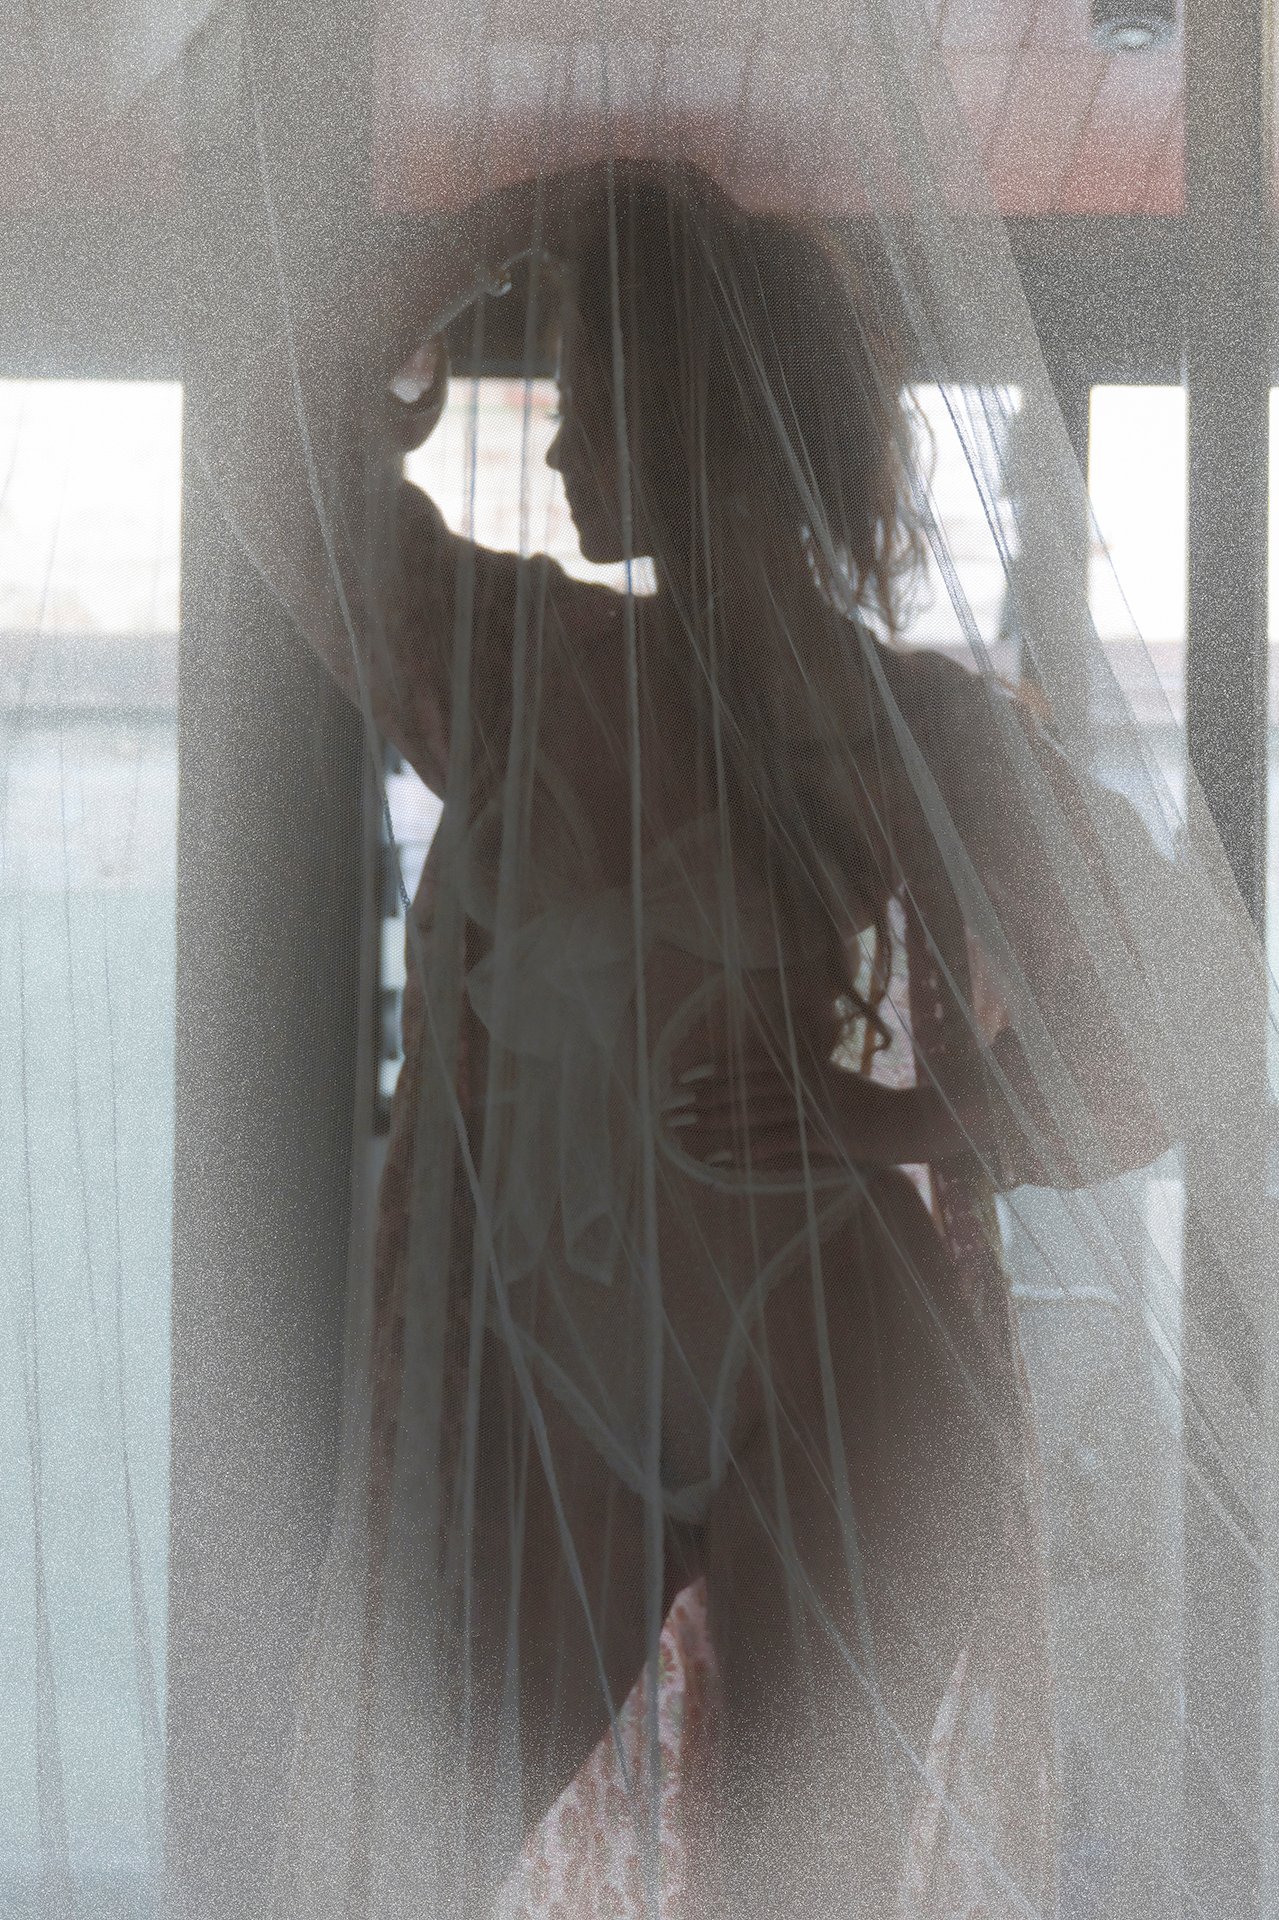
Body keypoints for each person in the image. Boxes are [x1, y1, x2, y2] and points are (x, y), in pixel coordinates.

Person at [292, 164, 1177, 1917]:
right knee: (392, 1853)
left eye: (587, 398)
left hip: (841, 1352)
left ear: (694, 418)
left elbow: (1191, 1023)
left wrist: (887, 1120)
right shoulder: (516, 654)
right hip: (566, 1374)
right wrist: (527, 215)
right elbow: (279, 453)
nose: (555, 449)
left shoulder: (913, 728)